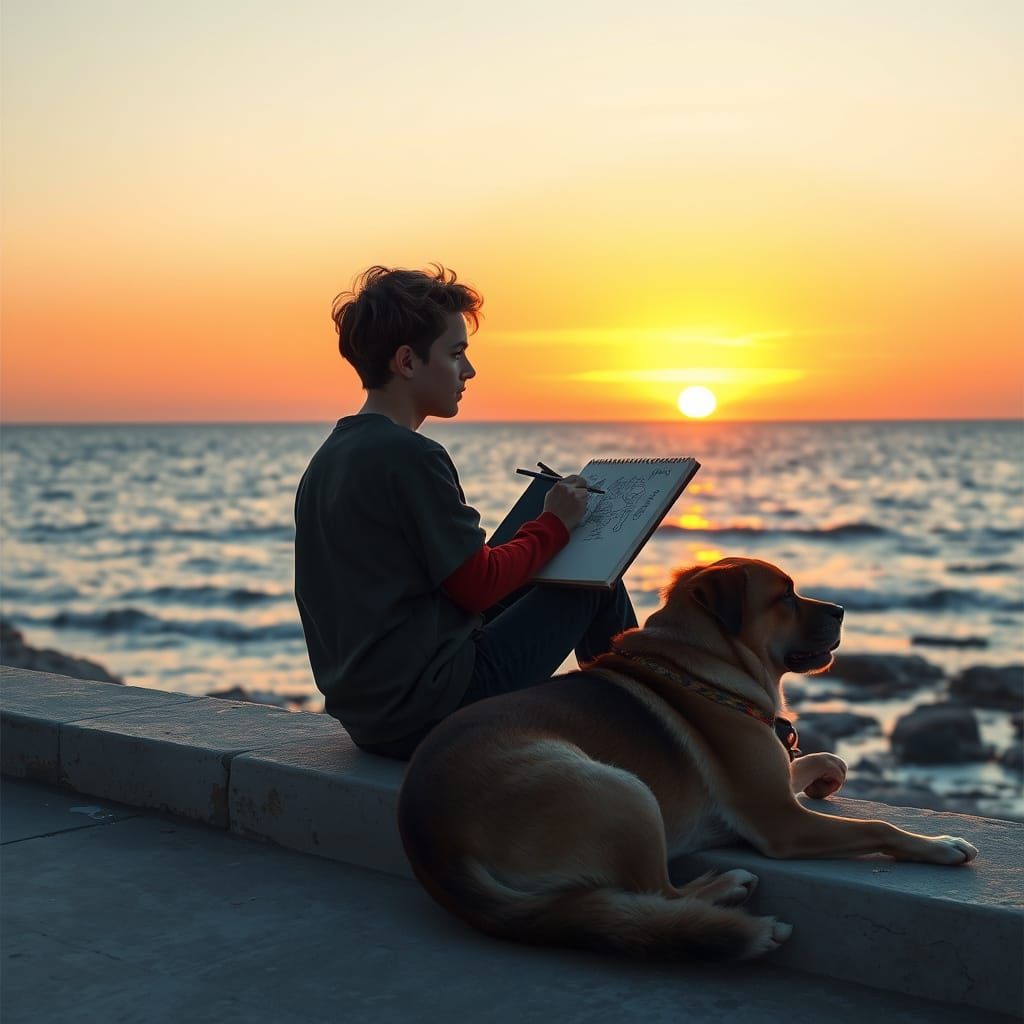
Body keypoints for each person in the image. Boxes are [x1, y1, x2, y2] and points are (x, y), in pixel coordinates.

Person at [293, 263, 638, 759]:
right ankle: (651, 732)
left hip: (372, 716)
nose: (469, 371)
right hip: (431, 709)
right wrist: (553, 524)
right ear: (407, 361)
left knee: (554, 554)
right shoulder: (412, 456)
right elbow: (477, 586)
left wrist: (537, 532)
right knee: (595, 579)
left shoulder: (329, 458)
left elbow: (450, 586)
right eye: (456, 354)